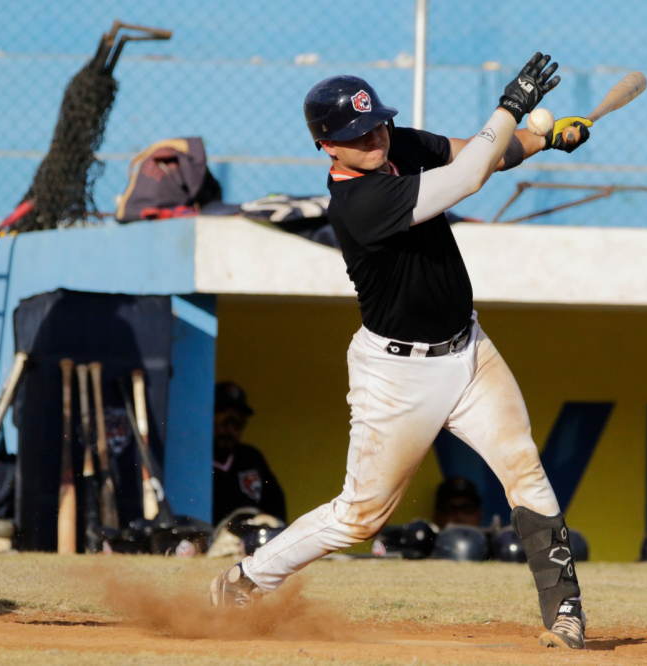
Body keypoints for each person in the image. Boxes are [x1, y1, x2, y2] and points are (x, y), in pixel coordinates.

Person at [210, 53, 593, 650]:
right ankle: (247, 578)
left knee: (524, 466)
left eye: (378, 124)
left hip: (469, 351)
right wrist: (512, 106)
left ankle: (565, 614)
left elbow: (479, 153)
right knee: (359, 517)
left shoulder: (399, 146)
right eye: (357, 135)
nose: (375, 137)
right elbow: (466, 177)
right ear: (326, 146)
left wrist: (542, 139)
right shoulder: (358, 204)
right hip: (397, 374)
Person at [212, 381, 286, 525]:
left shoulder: (252, 458)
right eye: (222, 419)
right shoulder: (196, 462)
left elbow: (277, 512)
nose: (230, 429)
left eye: (237, 422)